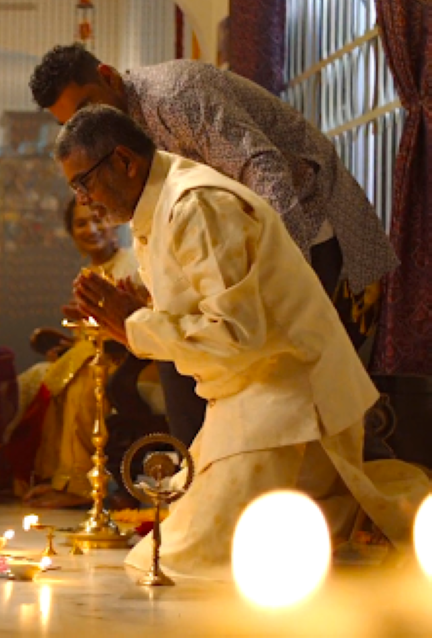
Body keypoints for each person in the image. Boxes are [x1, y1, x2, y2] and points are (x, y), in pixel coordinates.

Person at [56, 105, 427, 579]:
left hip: (288, 395)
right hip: (247, 398)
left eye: (83, 181)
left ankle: (384, 517)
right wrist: (140, 315)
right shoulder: (156, 208)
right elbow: (199, 305)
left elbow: (237, 332)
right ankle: (360, 514)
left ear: (125, 161)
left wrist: (134, 324)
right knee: (172, 546)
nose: (83, 199)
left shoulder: (197, 205)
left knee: (192, 559)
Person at [30, 43, 397, 447]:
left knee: (295, 377)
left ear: (109, 76)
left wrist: (285, 278)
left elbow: (264, 169)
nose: (86, 124)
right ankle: (198, 477)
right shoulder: (118, 136)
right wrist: (151, 299)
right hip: (241, 246)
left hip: (306, 223)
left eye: (86, 106)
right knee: (179, 353)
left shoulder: (175, 98)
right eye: (72, 121)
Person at [5, 198, 158, 509]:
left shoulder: (132, 265)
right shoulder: (91, 270)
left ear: (114, 225)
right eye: (80, 224)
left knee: (83, 377)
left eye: (96, 220)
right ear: (71, 233)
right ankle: (50, 476)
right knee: (46, 376)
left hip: (134, 357)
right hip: (100, 349)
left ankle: (79, 485)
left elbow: (139, 319)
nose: (91, 228)